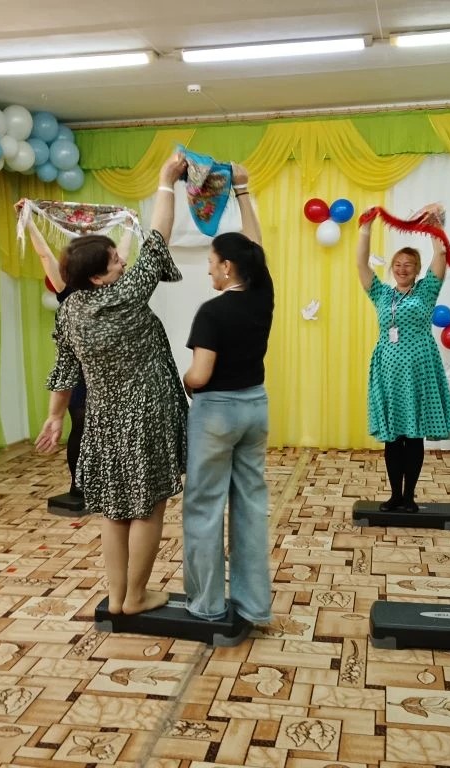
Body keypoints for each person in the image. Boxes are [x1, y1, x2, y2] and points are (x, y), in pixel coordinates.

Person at [35, 153, 189, 615]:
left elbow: (65, 370)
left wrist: (55, 416)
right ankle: (135, 596)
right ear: (98, 276)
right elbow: (158, 238)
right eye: (115, 258)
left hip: (102, 419)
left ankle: (119, 596)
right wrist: (165, 181)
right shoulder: (124, 295)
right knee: (148, 506)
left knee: (114, 510)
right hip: (145, 414)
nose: (123, 259)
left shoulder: (70, 310)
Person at [181, 163, 274, 625]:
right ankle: (255, 606)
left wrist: (184, 379)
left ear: (227, 266)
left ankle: (207, 604)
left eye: (212, 262)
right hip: (255, 407)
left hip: (216, 413)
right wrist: (242, 190)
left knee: (204, 506)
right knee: (251, 505)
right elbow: (257, 249)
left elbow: (200, 376)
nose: (209, 269)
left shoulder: (212, 312)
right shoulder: (263, 294)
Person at [356, 203, 450, 513]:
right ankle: (394, 496)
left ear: (416, 269)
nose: (402, 269)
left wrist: (436, 228)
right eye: (398, 264)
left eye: (409, 265)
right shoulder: (382, 294)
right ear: (392, 268)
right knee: (393, 438)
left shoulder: (426, 291)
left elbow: (441, 256)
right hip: (388, 373)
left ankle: (410, 496)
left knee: (413, 438)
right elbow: (361, 264)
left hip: (419, 372)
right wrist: (365, 229)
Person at [26, 217, 133, 501]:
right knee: (82, 427)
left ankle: (103, 485)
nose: (119, 262)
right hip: (87, 374)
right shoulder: (75, 292)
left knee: (103, 430)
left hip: (110, 374)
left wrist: (129, 227)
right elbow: (44, 255)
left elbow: (122, 255)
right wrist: (28, 222)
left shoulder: (111, 287)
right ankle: (80, 487)